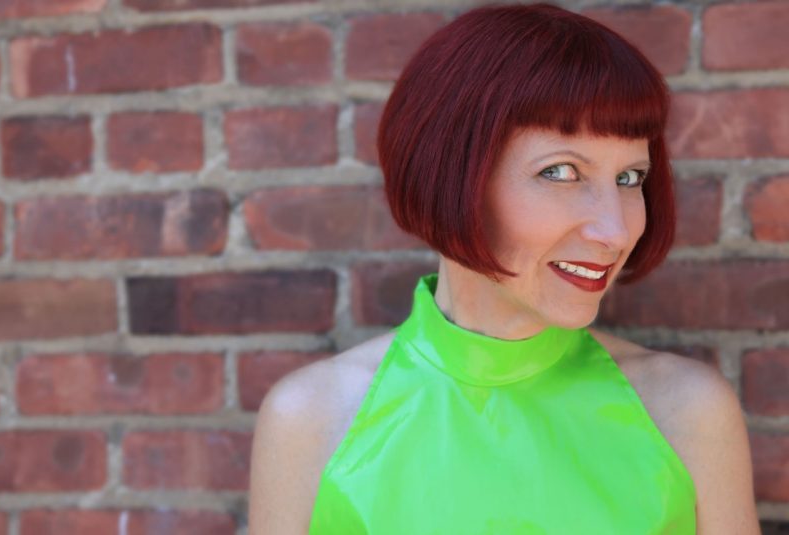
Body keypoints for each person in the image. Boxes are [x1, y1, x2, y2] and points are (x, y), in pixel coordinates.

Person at [248, 4, 759, 534]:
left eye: (630, 178)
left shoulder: (687, 413)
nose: (615, 230)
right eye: (561, 172)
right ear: (450, 175)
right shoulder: (311, 418)